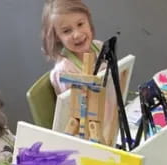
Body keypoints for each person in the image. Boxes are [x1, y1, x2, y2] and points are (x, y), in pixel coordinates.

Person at [41, 0, 119, 145]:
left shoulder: (99, 47)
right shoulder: (64, 71)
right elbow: (74, 114)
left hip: (112, 123)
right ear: (57, 36)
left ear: (88, 21)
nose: (77, 34)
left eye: (80, 24)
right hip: (87, 137)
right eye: (67, 31)